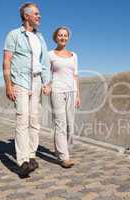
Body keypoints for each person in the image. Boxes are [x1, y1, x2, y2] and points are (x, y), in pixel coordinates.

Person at [2, 2, 51, 176]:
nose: (39, 16)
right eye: (36, 14)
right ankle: (22, 161)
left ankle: (31, 156)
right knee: (22, 120)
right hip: (21, 82)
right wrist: (8, 84)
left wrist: (47, 82)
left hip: (37, 81)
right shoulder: (14, 35)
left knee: (35, 120)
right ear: (26, 16)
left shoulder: (40, 37)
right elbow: (7, 61)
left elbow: (44, 61)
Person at [49, 26, 80, 168]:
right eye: (60, 35)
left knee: (70, 125)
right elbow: (46, 73)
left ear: (68, 38)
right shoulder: (50, 54)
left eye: (65, 35)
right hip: (57, 91)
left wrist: (78, 94)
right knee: (60, 123)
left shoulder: (74, 55)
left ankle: (63, 150)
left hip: (72, 91)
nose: (63, 37)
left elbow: (75, 75)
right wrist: (47, 85)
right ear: (56, 37)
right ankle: (64, 157)